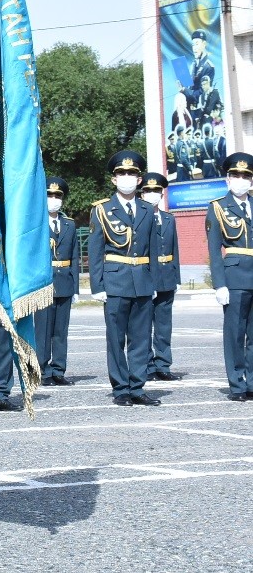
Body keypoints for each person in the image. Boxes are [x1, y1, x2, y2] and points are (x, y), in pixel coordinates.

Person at [88, 150, 159, 406]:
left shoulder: (148, 210)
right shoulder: (102, 210)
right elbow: (95, 250)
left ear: (139, 180)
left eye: (132, 173)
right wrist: (97, 285)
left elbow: (152, 248)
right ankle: (121, 389)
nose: (127, 177)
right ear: (114, 180)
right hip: (115, 281)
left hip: (142, 280)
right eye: (121, 173)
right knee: (116, 339)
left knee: (141, 338)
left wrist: (154, 283)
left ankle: (137, 387)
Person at [207, 153, 253, 401]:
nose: (241, 179)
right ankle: (237, 384)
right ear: (228, 179)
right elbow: (214, 250)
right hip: (234, 276)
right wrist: (219, 284)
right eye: (236, 175)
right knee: (235, 333)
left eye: (246, 176)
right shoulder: (218, 207)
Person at [36, 177, 78, 385]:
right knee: (43, 330)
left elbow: (75, 258)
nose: (54, 199)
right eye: (50, 195)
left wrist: (76, 287)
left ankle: (58, 370)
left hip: (65, 281)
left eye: (58, 196)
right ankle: (42, 370)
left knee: (60, 331)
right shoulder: (35, 223)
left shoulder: (69, 224)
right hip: (44, 282)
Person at [142, 172, 180, 382]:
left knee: (164, 325)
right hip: (146, 275)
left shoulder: (169, 218)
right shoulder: (138, 217)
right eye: (148, 190)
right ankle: (147, 366)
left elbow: (175, 248)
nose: (152, 194)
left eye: (156, 191)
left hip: (166, 276)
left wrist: (178, 277)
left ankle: (163, 364)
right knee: (144, 325)